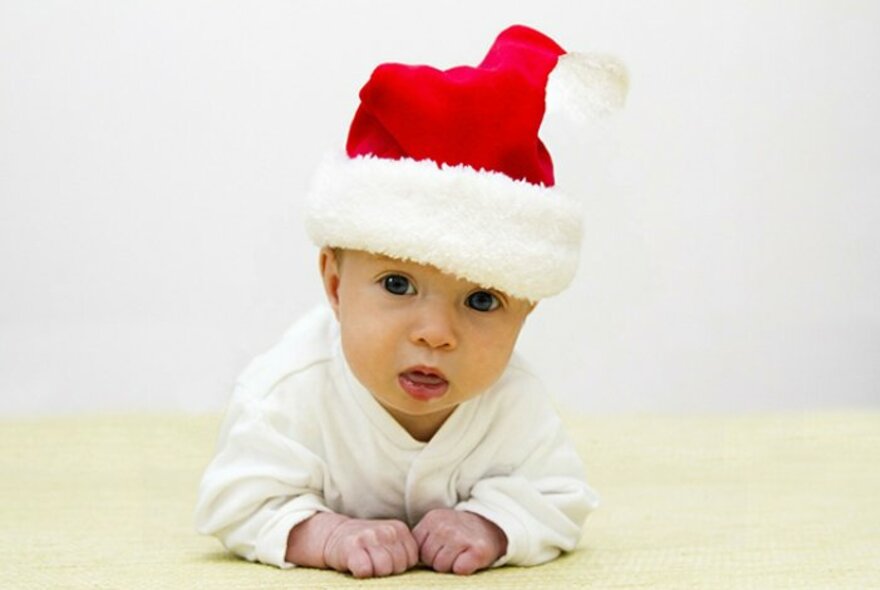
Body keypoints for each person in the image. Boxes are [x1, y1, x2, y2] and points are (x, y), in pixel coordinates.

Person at [194, 24, 627, 578]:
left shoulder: (512, 402)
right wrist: (327, 534)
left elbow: (561, 498)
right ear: (334, 284)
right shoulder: (290, 391)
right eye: (397, 285)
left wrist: (492, 525)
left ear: (526, 312)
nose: (436, 332)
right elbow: (235, 502)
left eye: (481, 300)